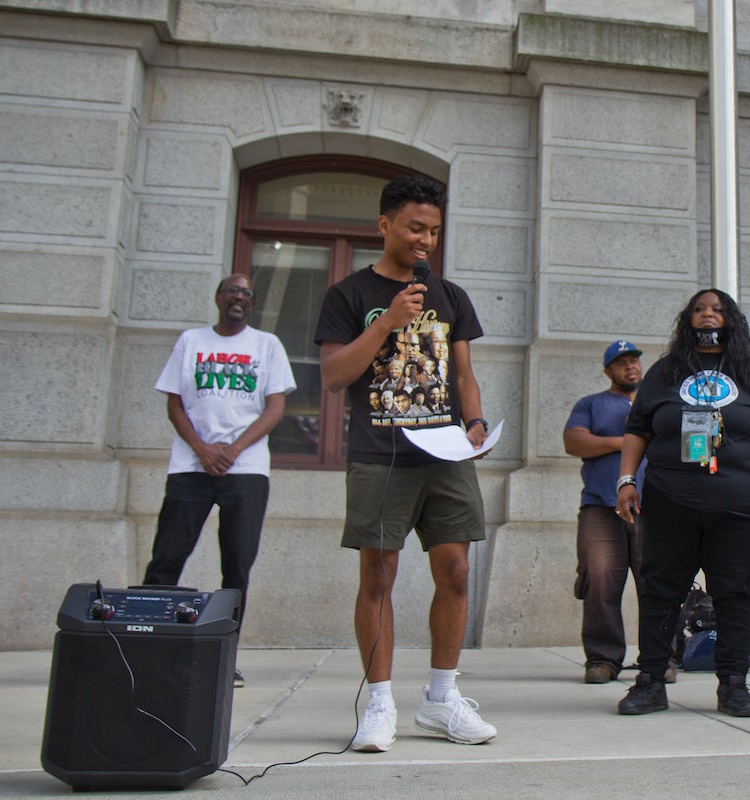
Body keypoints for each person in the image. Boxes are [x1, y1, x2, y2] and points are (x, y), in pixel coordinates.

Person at [313, 174, 496, 752]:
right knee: (378, 577)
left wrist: (475, 425)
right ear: (385, 225)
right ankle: (379, 702)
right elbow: (336, 375)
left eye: (435, 231)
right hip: (380, 454)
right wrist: (388, 322)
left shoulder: (450, 295)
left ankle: (441, 700)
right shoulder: (348, 295)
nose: (426, 241)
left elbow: (463, 374)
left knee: (457, 572)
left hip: (445, 456)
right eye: (416, 228)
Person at [615, 289, 750, 717]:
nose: (708, 315)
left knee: (735, 595)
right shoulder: (664, 373)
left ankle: (733, 684)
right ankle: (650, 681)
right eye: (700, 309)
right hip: (670, 501)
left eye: (717, 310)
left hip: (738, 506)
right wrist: (627, 480)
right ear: (688, 321)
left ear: (731, 320)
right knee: (661, 592)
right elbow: (638, 429)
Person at [143, 274, 297, 688]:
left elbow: (275, 408)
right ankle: (147, 649)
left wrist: (231, 449)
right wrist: (203, 449)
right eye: (233, 291)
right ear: (218, 298)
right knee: (166, 560)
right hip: (191, 469)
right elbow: (175, 404)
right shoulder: (191, 341)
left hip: (245, 473)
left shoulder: (267, 345)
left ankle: (224, 657)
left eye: (247, 294)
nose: (240, 298)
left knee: (237, 567)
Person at [563, 340, 655, 685]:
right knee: (600, 583)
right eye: (621, 363)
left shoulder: (654, 403)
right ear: (608, 371)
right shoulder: (591, 404)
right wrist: (628, 441)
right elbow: (574, 442)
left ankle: (657, 660)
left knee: (656, 584)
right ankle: (602, 659)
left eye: (634, 362)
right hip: (601, 507)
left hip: (653, 508)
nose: (630, 367)